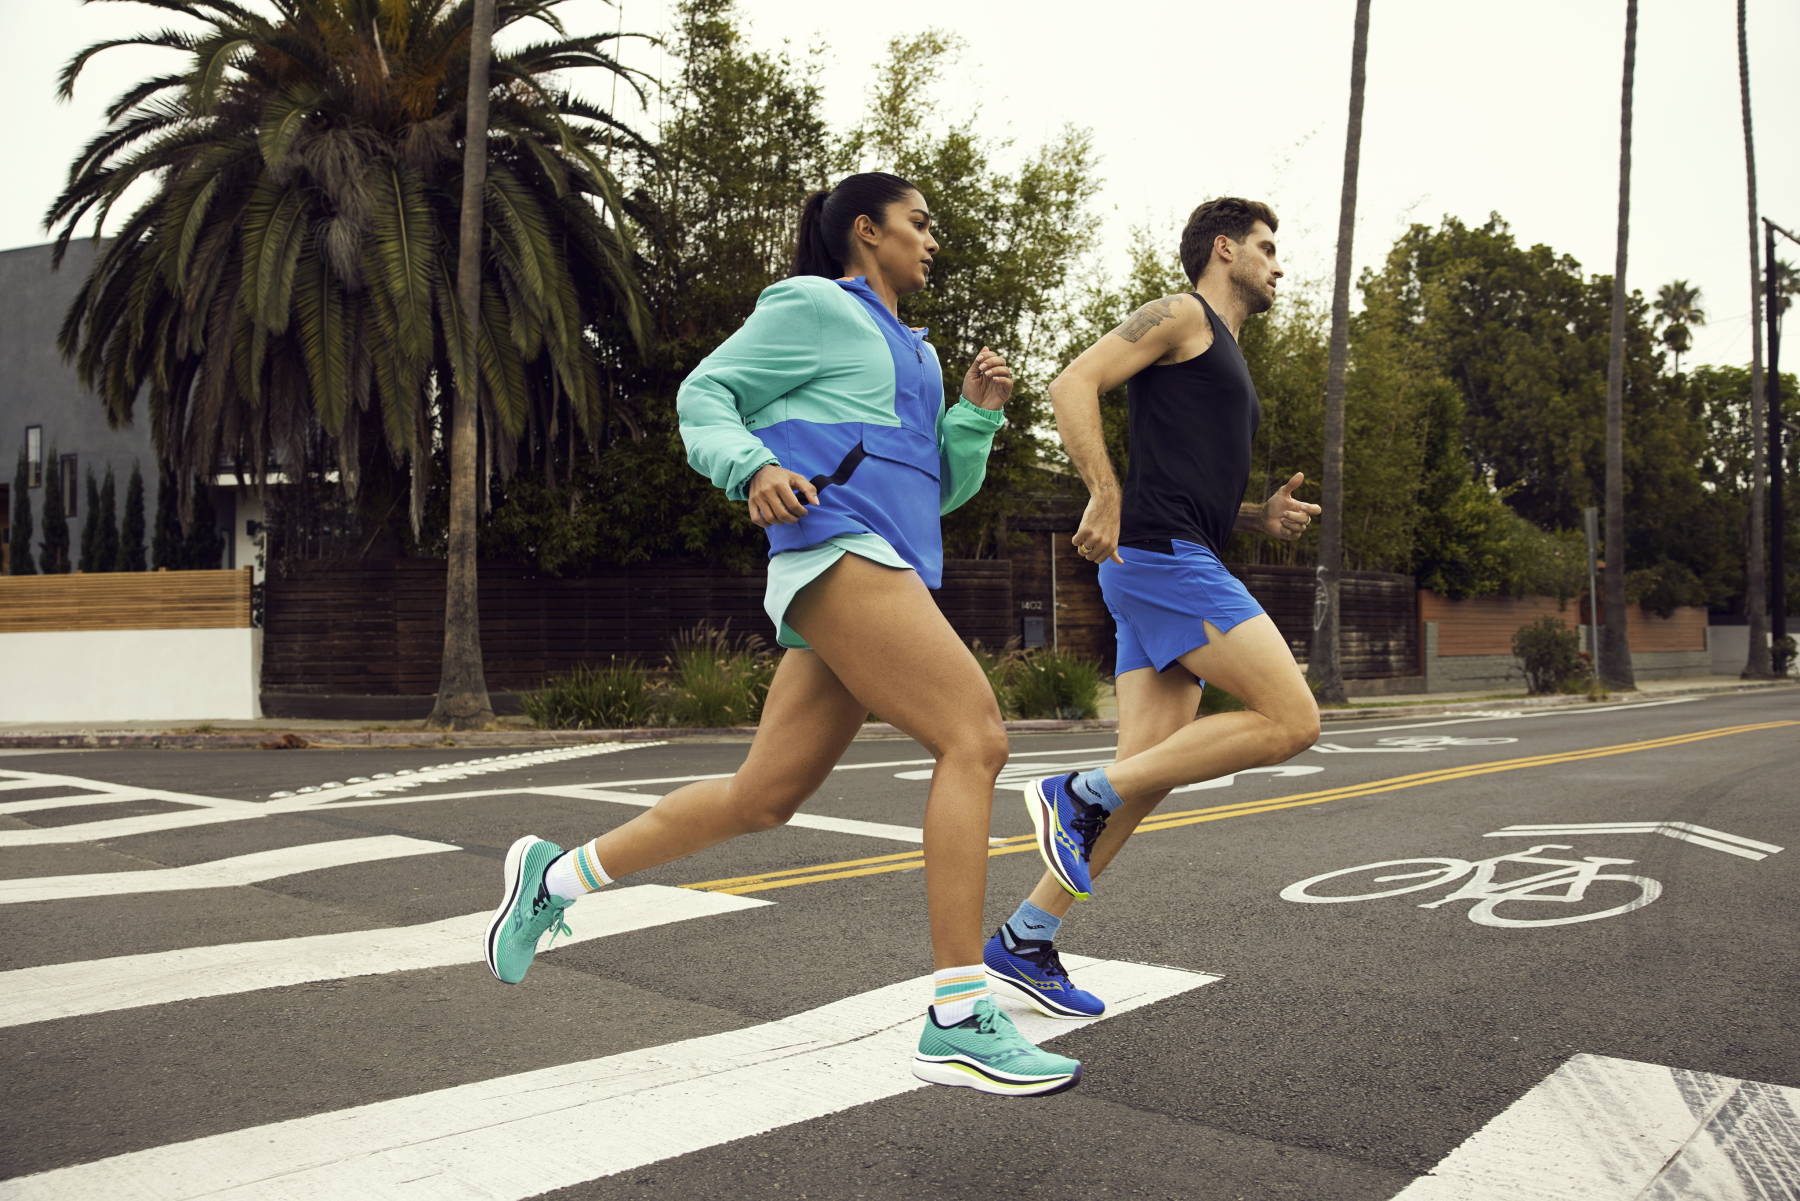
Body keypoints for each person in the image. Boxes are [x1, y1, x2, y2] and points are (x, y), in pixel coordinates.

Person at [485, 172, 1082, 1097]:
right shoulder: (813, 307)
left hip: (886, 562)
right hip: (838, 552)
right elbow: (705, 394)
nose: (932, 240)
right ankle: (959, 1014)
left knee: (762, 796)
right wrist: (753, 464)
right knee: (976, 738)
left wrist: (975, 417)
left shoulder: (916, 355)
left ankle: (552, 880)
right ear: (864, 231)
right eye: (918, 224)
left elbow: (936, 493)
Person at [990, 197, 1323, 1019]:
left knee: (1145, 773)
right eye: (1266, 247)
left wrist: (1256, 517)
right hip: (1164, 561)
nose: (1279, 264)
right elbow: (1073, 380)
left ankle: (1029, 934)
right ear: (1224, 248)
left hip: (1168, 557)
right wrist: (1102, 492)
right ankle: (1076, 790)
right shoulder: (1182, 314)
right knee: (1293, 720)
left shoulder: (1230, 355)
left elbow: (1186, 481)